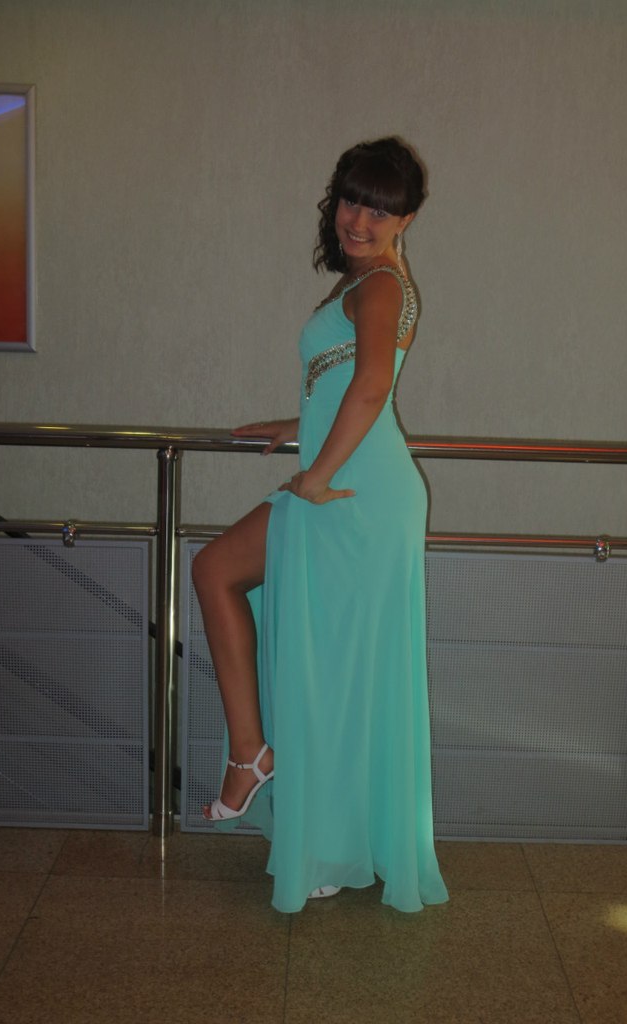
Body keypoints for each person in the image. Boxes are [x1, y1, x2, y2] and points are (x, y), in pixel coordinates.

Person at [191, 137, 448, 913]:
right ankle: (312, 821)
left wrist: (316, 474)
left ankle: (257, 763)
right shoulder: (368, 280)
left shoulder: (382, 284)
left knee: (227, 580)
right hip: (349, 483)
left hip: (352, 493)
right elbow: (347, 386)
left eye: (379, 209)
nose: (359, 219)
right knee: (333, 670)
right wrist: (299, 428)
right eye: (351, 200)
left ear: (407, 219)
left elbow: (371, 387)